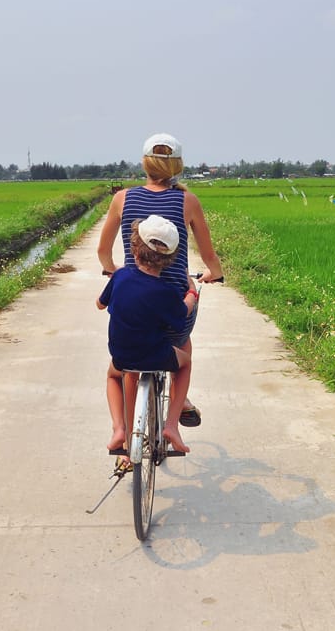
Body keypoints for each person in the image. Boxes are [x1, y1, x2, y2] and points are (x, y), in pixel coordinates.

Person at [97, 133, 224, 434]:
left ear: (144, 164)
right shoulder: (187, 200)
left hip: (135, 302)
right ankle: (179, 409)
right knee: (181, 345)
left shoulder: (122, 198)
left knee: (127, 369)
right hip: (173, 300)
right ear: (177, 167)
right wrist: (214, 274)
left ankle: (126, 440)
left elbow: (103, 252)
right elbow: (208, 255)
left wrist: (114, 271)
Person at [97, 215, 198, 462]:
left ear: (134, 249)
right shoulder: (166, 292)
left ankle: (120, 428)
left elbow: (100, 304)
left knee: (113, 375)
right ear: (171, 258)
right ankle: (172, 424)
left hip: (122, 355)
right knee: (185, 363)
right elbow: (181, 313)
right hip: (156, 354)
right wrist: (192, 292)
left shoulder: (120, 277)